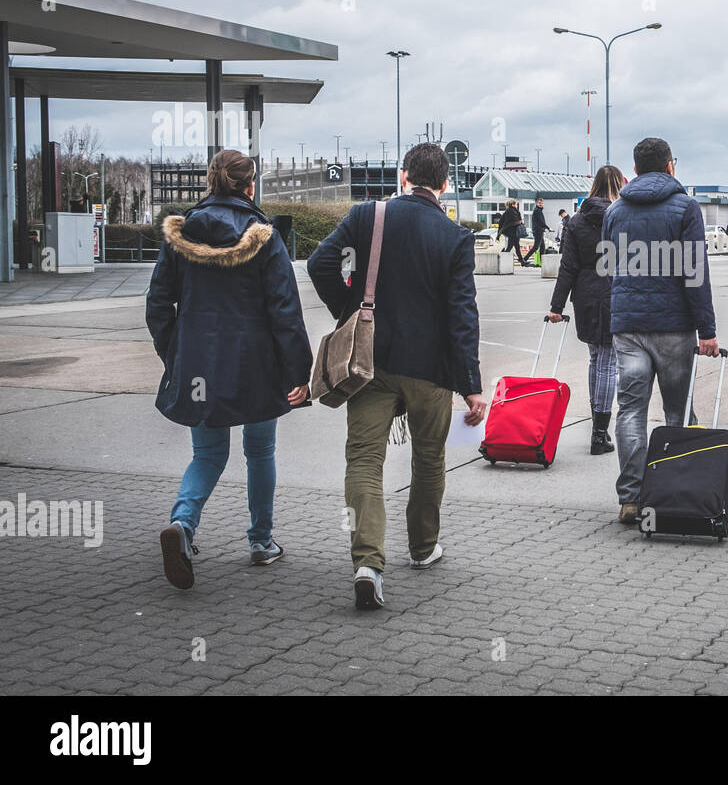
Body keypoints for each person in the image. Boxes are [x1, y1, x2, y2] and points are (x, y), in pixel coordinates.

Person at [308, 142, 487, 610]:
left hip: (370, 363)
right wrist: (471, 386)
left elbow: (320, 263)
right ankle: (424, 548)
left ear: (404, 175)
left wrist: (349, 309)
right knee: (429, 460)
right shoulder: (454, 236)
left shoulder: (369, 215)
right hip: (431, 369)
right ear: (445, 184)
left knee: (364, 460)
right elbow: (462, 315)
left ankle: (368, 562)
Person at [146, 149, 313, 591]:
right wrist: (299, 371)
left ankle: (182, 525)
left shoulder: (180, 236)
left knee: (207, 454)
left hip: (199, 365)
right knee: (260, 452)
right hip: (257, 364)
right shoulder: (265, 237)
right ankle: (261, 542)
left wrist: (175, 354)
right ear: (248, 185)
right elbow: (285, 311)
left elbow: (158, 305)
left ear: (210, 183)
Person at [603, 137, 718, 525]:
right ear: (671, 166)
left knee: (631, 410)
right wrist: (708, 330)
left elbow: (609, 270)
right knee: (676, 411)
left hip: (629, 328)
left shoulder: (615, 210)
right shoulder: (685, 207)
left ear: (634, 170)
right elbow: (694, 273)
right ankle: (672, 492)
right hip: (673, 327)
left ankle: (631, 499)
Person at [548, 166, 623, 456]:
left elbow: (568, 267)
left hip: (586, 296)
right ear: (617, 185)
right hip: (614, 293)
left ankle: (597, 426)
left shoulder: (576, 221)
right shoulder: (621, 217)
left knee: (596, 359)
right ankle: (599, 433)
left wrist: (557, 305)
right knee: (608, 361)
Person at [497, 199, 528, 266]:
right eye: (516, 204)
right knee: (513, 246)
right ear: (513, 204)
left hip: (512, 232)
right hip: (513, 232)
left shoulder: (508, 211)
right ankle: (521, 260)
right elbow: (514, 221)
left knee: (513, 246)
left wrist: (499, 233)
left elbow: (502, 222)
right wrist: (520, 222)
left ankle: (521, 260)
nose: (517, 206)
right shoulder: (512, 211)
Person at [524, 196, 548, 263]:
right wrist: (548, 228)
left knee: (542, 247)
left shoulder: (539, 210)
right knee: (536, 247)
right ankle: (524, 259)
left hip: (539, 231)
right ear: (537, 203)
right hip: (538, 231)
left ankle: (542, 262)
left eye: (542, 203)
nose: (541, 204)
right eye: (539, 203)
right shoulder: (537, 211)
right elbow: (541, 222)